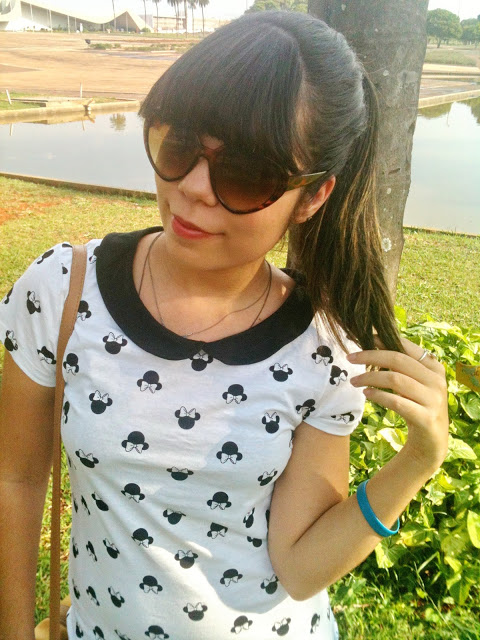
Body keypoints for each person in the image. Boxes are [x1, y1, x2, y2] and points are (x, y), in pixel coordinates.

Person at [0, 11, 449, 640]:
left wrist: (418, 461)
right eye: (179, 144)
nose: (194, 188)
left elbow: (300, 568)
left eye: (246, 172)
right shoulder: (62, 293)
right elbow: (16, 479)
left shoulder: (323, 347)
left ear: (313, 196)